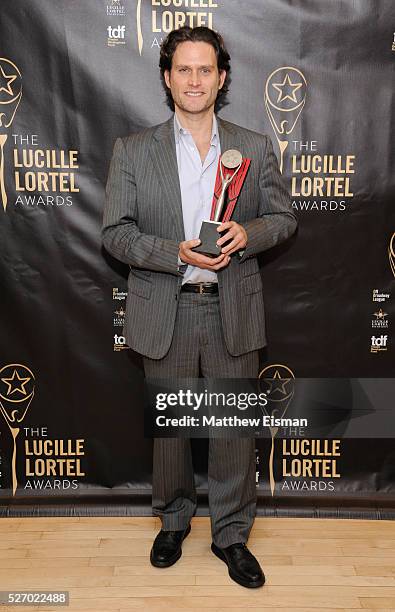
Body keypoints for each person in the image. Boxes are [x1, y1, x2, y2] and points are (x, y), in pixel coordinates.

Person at [102, 26, 297, 589]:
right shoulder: (134, 151)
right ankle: (173, 519)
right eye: (183, 69)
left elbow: (284, 219)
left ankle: (232, 534)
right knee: (173, 427)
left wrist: (248, 233)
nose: (194, 79)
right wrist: (171, 252)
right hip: (167, 304)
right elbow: (115, 233)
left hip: (231, 304)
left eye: (205, 69)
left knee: (234, 428)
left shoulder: (255, 147)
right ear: (167, 78)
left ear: (222, 78)